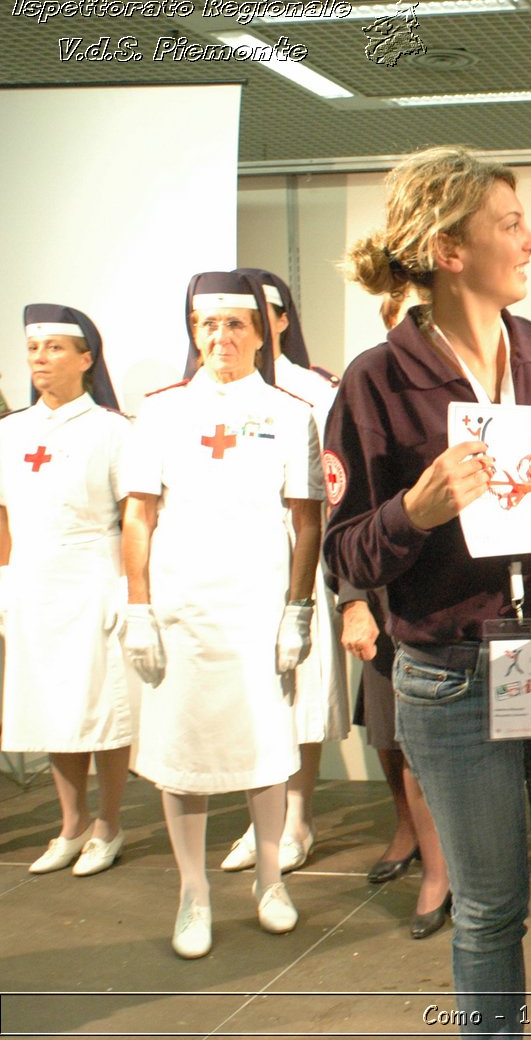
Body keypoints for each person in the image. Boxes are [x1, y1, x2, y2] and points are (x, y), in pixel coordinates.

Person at [323, 144, 531, 1035]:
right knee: (487, 911)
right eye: (511, 225)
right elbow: (347, 552)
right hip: (452, 675)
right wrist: (417, 509)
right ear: (448, 249)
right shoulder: (376, 381)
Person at [121, 270, 324, 959]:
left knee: (265, 750)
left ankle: (270, 880)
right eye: (207, 324)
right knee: (184, 755)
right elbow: (139, 515)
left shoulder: (292, 412)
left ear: (262, 331)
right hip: (183, 610)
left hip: (258, 606)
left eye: (235, 323)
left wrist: (298, 609)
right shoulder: (160, 412)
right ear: (193, 332)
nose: (221, 336)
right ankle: (193, 892)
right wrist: (138, 607)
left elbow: (307, 519)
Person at [214, 268, 350, 875]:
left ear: (284, 319)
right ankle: (259, 816)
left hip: (299, 554)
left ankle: (298, 816)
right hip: (231, 567)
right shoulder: (209, 395)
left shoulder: (314, 391)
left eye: (267, 311)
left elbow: (336, 486)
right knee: (250, 695)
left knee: (300, 691)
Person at [0, 304, 132, 878]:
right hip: (33, 583)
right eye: (33, 349)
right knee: (51, 707)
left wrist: (128, 590)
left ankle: (109, 824)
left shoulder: (111, 430)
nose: (40, 359)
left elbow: (134, 517)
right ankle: (70, 825)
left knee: (101, 708)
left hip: (93, 582)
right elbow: (3, 518)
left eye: (54, 348)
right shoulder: (10, 433)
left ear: (86, 358)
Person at [341, 582, 453, 938]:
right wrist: (353, 601)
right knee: (393, 717)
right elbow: (345, 530)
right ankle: (426, 853)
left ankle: (463, 860)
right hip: (391, 574)